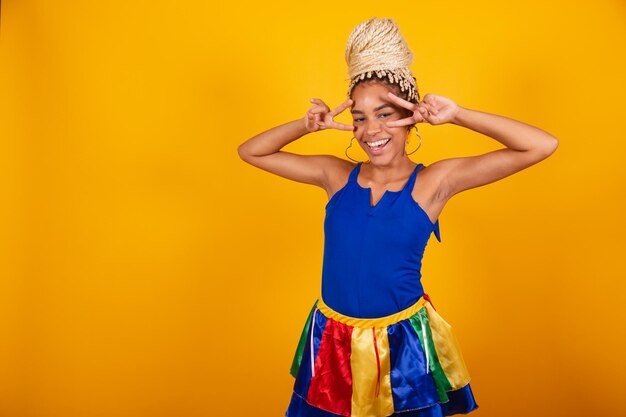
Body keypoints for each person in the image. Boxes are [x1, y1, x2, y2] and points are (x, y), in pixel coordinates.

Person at [237, 17, 558, 417]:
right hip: (333, 338)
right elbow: (251, 152)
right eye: (360, 117)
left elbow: (540, 145)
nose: (371, 129)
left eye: (386, 114)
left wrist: (457, 115)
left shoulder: (433, 183)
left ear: (413, 117)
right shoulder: (335, 175)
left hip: (401, 342)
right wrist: (304, 126)